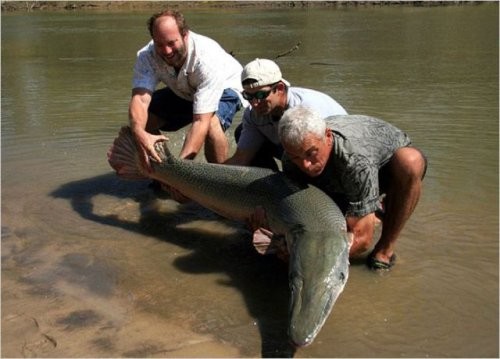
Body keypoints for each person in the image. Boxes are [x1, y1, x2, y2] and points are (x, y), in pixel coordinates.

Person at [278, 106, 427, 271]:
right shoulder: (290, 160)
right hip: (338, 175)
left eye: (311, 153)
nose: (305, 164)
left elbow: (362, 240)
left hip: (383, 169)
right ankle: (371, 212)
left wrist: (311, 260)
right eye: (296, 157)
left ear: (328, 136)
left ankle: (384, 249)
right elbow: (301, 210)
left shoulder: (355, 161)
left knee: (410, 162)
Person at [129, 9, 245, 171]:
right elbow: (140, 100)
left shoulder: (205, 60)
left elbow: (200, 121)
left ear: (185, 35)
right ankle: (161, 170)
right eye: (160, 44)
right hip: (186, 89)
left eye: (171, 43)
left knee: (211, 123)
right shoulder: (147, 56)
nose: (166, 51)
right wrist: (139, 132)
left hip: (227, 85)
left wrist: (181, 171)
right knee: (144, 118)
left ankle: (220, 177)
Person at [225, 58, 347, 170]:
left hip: (332, 153)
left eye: (261, 95)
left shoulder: (308, 110)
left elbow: (329, 153)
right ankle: (269, 188)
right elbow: (241, 160)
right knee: (241, 131)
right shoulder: (253, 115)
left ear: (280, 88)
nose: (254, 103)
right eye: (248, 96)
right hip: (294, 150)